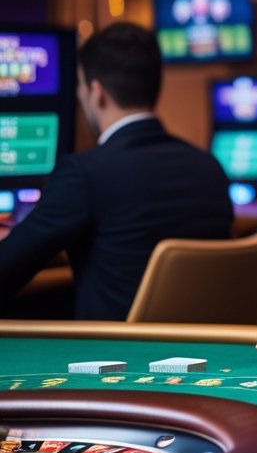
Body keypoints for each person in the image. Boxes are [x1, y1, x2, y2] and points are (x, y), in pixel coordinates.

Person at [0, 22, 233, 319]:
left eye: (80, 85)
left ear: (96, 92)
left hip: (114, 346)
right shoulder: (209, 168)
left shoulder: (83, 173)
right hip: (208, 343)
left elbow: (6, 269)